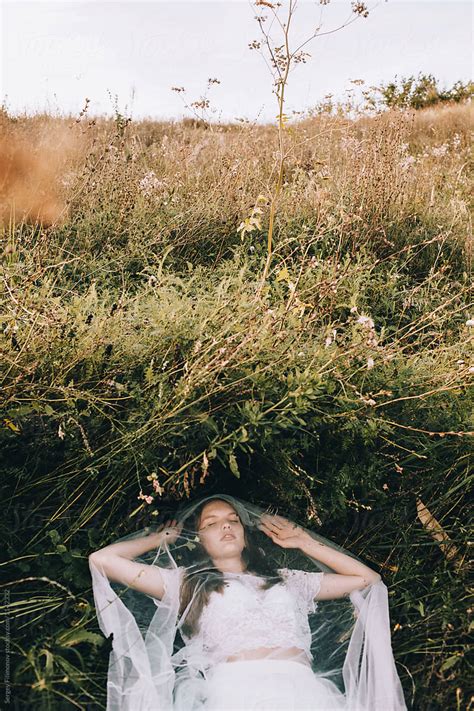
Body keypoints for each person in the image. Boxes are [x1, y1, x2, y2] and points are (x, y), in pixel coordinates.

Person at [89, 493, 408, 710]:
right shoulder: (185, 583)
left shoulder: (287, 580)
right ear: (198, 539)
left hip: (302, 691)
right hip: (234, 693)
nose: (225, 525)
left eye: (232, 520)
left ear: (244, 532)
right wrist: (160, 540)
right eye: (211, 523)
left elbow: (367, 580)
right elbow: (103, 560)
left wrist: (305, 543)